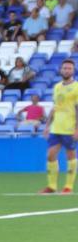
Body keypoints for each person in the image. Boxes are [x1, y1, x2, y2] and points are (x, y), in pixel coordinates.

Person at [41, 60, 78, 194]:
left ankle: (68, 187)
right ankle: (52, 186)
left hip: (69, 128)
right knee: (50, 155)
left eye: (69, 68)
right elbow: (55, 107)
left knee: (71, 157)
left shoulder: (76, 87)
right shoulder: (57, 87)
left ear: (73, 71)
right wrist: (47, 126)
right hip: (56, 128)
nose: (67, 70)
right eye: (65, 68)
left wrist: (77, 129)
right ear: (61, 70)